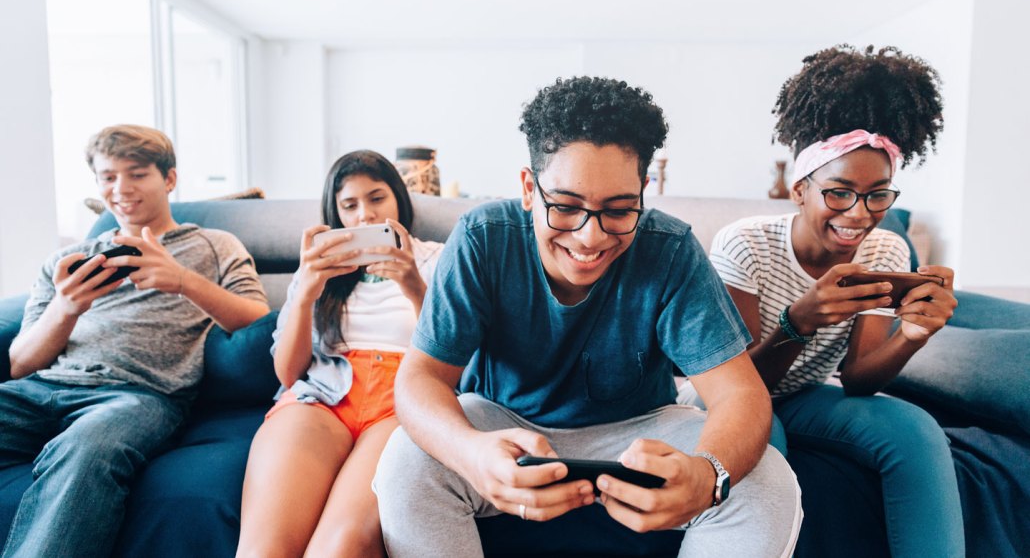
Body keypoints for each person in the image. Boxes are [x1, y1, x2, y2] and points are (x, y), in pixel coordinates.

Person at [373, 76, 802, 557]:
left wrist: (707, 477)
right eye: (566, 206)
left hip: (640, 426)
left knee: (765, 477)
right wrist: (470, 455)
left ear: (644, 191)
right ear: (528, 189)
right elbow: (421, 377)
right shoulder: (481, 238)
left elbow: (740, 393)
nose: (590, 238)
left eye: (619, 210)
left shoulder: (671, 248)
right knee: (406, 461)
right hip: (505, 424)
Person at [706, 44, 964, 557]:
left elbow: (859, 378)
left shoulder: (886, 246)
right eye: (840, 192)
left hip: (806, 395)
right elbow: (737, 388)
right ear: (799, 189)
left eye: (878, 195)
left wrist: (913, 336)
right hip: (728, 395)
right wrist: (797, 323)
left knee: (914, 428)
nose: (860, 213)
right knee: (762, 438)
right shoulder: (745, 245)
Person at [1, 125, 269, 558]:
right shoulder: (67, 261)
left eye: (137, 174)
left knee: (88, 448)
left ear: (169, 179)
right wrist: (65, 308)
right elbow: (19, 364)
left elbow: (260, 322)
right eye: (108, 177)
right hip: (41, 389)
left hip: (138, 395)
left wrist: (184, 281)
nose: (121, 189)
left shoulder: (214, 245)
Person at [236, 150, 442, 558]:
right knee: (263, 549)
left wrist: (414, 285)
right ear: (337, 215)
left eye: (376, 198)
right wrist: (306, 294)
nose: (365, 215)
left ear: (399, 198)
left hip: (404, 395)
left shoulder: (438, 258)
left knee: (339, 548)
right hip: (323, 392)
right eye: (350, 205)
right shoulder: (319, 269)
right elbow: (288, 373)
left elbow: (457, 359)